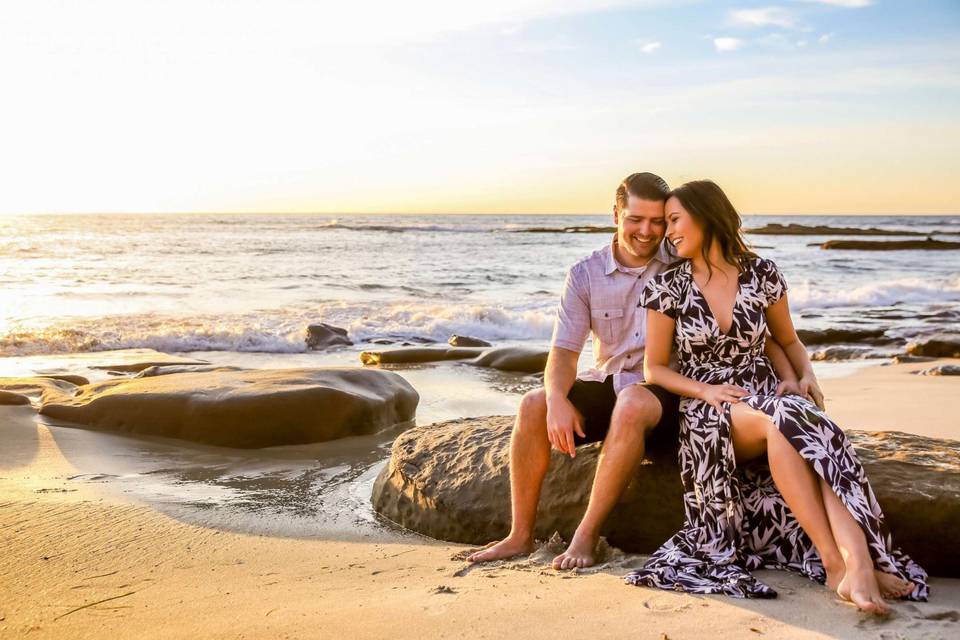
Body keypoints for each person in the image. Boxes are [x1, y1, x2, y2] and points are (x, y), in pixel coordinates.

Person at [468, 172, 800, 570]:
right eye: (635, 219)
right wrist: (557, 399)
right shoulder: (585, 274)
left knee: (631, 402)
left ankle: (585, 535)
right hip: (609, 380)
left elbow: (750, 323)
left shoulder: (683, 259)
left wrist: (795, 375)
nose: (647, 231)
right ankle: (519, 534)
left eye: (658, 221)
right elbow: (563, 352)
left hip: (672, 392)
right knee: (533, 404)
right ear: (615, 216)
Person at [625, 180, 928, 614]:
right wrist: (705, 389)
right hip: (712, 412)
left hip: (766, 394)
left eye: (674, 219)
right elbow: (654, 368)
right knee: (784, 420)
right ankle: (835, 562)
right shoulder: (668, 286)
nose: (667, 232)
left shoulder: (762, 273)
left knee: (799, 426)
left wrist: (806, 376)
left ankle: (855, 563)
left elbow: (789, 341)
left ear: (706, 214)